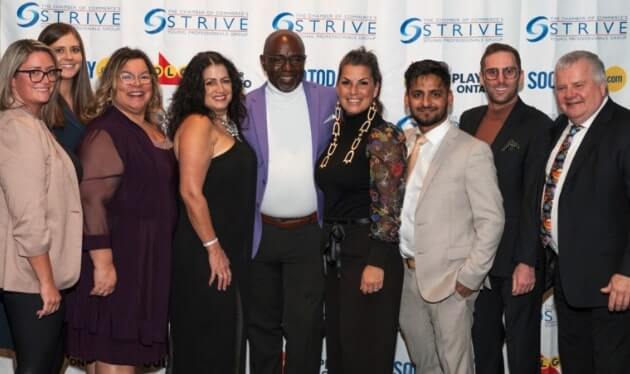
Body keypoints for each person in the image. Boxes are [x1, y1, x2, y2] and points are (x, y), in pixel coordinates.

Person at [65, 47, 177, 373]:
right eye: (126, 77)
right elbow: (91, 199)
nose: (136, 83)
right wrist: (103, 264)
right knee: (115, 356)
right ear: (111, 84)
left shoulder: (153, 129)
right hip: (119, 263)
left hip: (147, 262)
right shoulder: (106, 131)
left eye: (144, 76)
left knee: (121, 357)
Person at [397, 59, 504, 374]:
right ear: (407, 99)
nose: (426, 102)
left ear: (449, 98)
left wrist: (469, 278)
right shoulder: (400, 144)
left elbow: (492, 220)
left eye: (435, 94)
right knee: (424, 363)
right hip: (405, 278)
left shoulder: (472, 150)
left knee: (456, 367)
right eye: (418, 94)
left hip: (450, 282)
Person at [241, 29, 337, 374]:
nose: (287, 66)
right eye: (278, 59)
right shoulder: (243, 105)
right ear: (264, 62)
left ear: (305, 63)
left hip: (308, 233)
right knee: (262, 326)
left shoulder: (329, 99)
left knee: (307, 327)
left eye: (295, 59)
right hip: (260, 233)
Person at [459, 43, 553, 374]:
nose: (501, 79)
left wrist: (527, 261)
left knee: (522, 349)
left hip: (517, 259)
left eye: (508, 71)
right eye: (493, 72)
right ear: (481, 78)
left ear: (521, 76)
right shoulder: (469, 121)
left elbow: (534, 199)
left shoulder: (539, 124)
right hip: (476, 259)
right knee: (483, 346)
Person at [535, 50, 630, 374]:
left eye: (578, 85)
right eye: (561, 88)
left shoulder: (625, 129)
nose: (568, 94)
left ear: (602, 86)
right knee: (576, 364)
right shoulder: (560, 127)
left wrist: (627, 273)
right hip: (567, 279)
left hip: (611, 286)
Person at [315, 47, 405, 374]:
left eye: (362, 83)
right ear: (337, 87)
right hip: (337, 256)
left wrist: (377, 261)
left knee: (366, 353)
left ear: (376, 88)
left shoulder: (384, 134)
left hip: (369, 255)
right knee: (341, 350)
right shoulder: (336, 133)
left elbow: (390, 203)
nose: (354, 91)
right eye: (346, 82)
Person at [168, 51, 256, 373]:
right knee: (206, 347)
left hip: (228, 251)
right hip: (204, 256)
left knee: (225, 343)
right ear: (196, 87)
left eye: (224, 80)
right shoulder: (197, 124)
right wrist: (213, 248)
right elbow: (190, 193)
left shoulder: (225, 124)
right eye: (210, 82)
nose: (219, 88)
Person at [0, 39, 81, 373]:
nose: (45, 79)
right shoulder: (18, 129)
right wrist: (45, 281)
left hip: (37, 274)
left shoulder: (35, 125)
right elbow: (28, 215)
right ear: (11, 78)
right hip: (30, 276)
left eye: (50, 72)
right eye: (33, 72)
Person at [38, 22, 94, 153]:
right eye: (59, 50)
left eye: (75, 50)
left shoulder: (95, 103)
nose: (69, 57)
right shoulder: (37, 105)